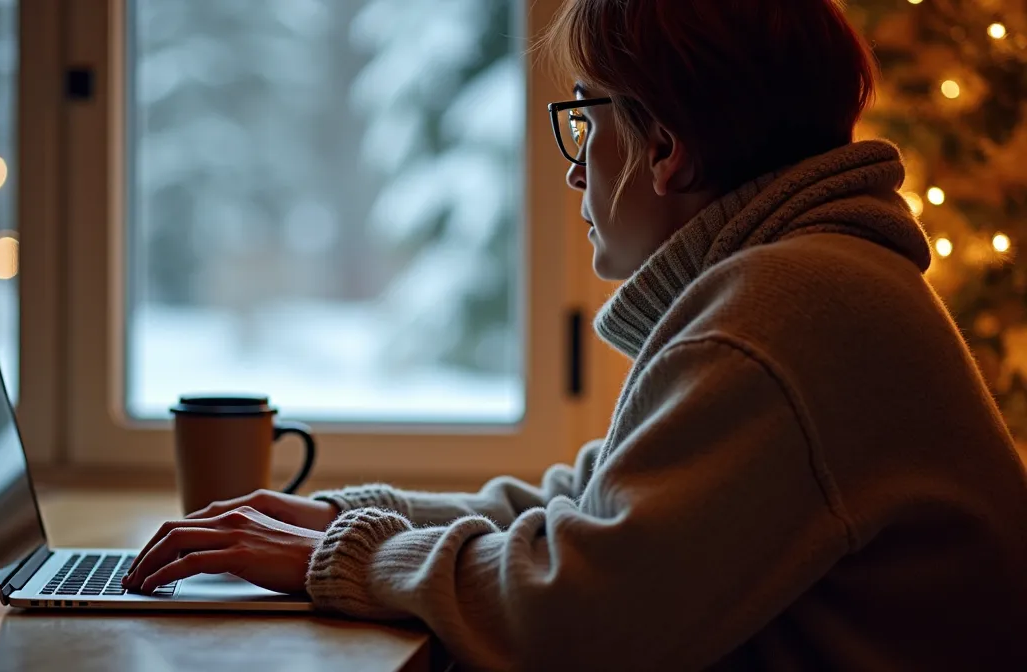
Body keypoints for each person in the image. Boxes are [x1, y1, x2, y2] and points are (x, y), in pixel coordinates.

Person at [124, 0, 1027, 668]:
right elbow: (589, 513)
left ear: (666, 148)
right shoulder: (794, 282)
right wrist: (345, 518)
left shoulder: (784, 309)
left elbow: (582, 615)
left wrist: (337, 557)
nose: (575, 168)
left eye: (584, 117)